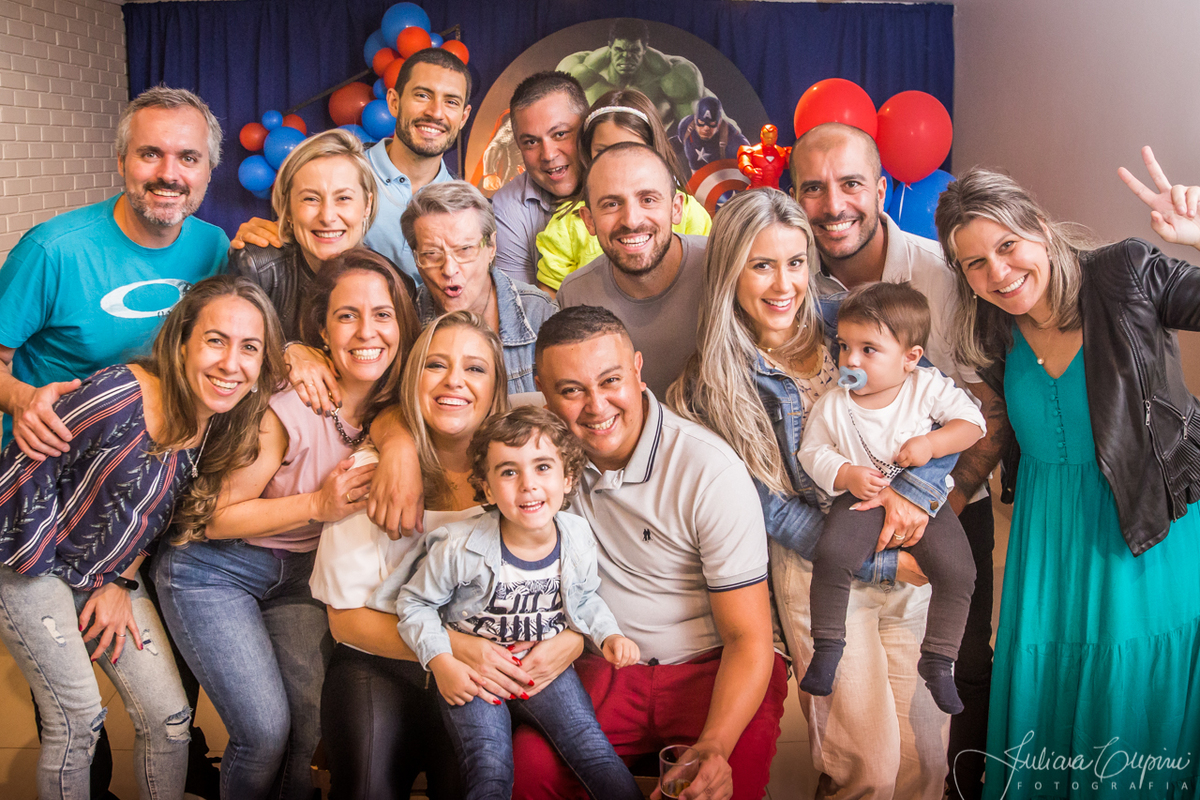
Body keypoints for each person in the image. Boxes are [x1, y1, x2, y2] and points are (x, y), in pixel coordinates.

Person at [667, 188, 960, 800]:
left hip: (909, 539)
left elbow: (939, 410)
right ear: (730, 272)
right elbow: (769, 508)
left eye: (796, 262)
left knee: (925, 765)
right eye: (762, 265)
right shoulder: (711, 383)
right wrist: (882, 561)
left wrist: (916, 498)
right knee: (867, 770)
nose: (785, 285)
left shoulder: (852, 319)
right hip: (820, 571)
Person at [934, 155, 1200, 798]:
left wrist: (1199, 239)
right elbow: (997, 426)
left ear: (1040, 227)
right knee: (1048, 682)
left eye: (1007, 245)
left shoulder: (1124, 273)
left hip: (1140, 526)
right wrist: (943, 502)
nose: (999, 273)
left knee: (1128, 686)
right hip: (1046, 537)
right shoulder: (991, 323)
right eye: (975, 263)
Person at [0, 274, 284, 800]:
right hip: (27, 562)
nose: (231, 363)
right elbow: (24, 467)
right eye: (215, 340)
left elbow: (156, 518)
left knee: (171, 720)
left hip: (107, 574)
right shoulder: (118, 392)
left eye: (250, 347)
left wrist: (119, 582)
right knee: (78, 720)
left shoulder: (221, 423)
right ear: (182, 343)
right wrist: (45, 585)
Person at [153, 249, 420, 800]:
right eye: (346, 316)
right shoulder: (291, 404)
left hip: (298, 576)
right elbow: (213, 518)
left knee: (314, 725)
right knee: (263, 732)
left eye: (382, 314)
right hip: (214, 568)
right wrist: (318, 504)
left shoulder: (395, 405)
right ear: (321, 329)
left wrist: (399, 444)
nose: (366, 331)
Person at [791, 121, 1006, 797]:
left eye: (852, 184)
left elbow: (987, 407)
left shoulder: (941, 275)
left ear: (882, 189)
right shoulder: (794, 281)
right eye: (813, 188)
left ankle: (958, 786)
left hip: (949, 498)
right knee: (859, 708)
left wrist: (928, 500)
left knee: (962, 666)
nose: (834, 205)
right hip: (849, 503)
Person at [513, 305, 787, 800]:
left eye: (610, 380)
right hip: (606, 666)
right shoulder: (539, 450)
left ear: (638, 370)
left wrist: (714, 744)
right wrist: (397, 443)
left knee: (715, 787)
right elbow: (448, 408)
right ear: (543, 392)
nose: (596, 406)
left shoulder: (710, 471)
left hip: (713, 666)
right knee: (527, 770)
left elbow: (748, 637)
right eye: (571, 391)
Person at [309, 310, 519, 800]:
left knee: (471, 784)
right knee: (366, 784)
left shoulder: (518, 474)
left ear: (496, 388)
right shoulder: (370, 471)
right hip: (380, 661)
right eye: (435, 365)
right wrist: (452, 648)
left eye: (475, 368)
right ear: (411, 379)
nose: (454, 381)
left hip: (477, 670)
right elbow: (346, 621)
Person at [396, 406, 643, 800]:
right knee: (489, 767)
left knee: (593, 750)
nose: (528, 485)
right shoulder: (459, 547)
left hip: (543, 670)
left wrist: (608, 634)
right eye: (509, 472)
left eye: (542, 467)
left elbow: (583, 597)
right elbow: (414, 604)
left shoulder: (577, 537)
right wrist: (442, 663)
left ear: (568, 478)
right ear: (487, 488)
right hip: (474, 675)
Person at [0, 85, 228, 461]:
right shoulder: (52, 250)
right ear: (122, 162)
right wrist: (21, 399)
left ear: (208, 171)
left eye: (188, 158)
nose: (169, 175)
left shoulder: (215, 246)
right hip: (56, 463)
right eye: (150, 154)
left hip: (158, 462)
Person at [798, 282, 984, 714]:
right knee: (833, 555)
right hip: (860, 501)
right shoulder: (835, 404)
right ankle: (828, 647)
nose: (851, 360)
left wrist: (932, 444)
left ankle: (939, 658)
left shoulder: (926, 386)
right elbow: (813, 452)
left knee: (960, 572)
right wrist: (845, 473)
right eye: (844, 346)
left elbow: (973, 423)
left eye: (868, 350)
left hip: (922, 504)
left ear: (910, 358)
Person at [231, 48, 473, 279]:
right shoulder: (338, 170)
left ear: (463, 117)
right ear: (394, 102)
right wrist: (259, 239)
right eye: (422, 95)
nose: (436, 112)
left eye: (451, 102)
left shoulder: (468, 209)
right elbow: (296, 238)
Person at [555, 142, 707, 396]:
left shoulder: (722, 266)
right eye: (611, 204)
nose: (632, 220)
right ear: (589, 221)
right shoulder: (575, 295)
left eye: (648, 200)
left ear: (676, 208)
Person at [535, 89, 712, 294]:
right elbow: (550, 301)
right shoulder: (566, 226)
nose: (618, 164)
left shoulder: (691, 215)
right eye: (603, 151)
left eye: (631, 149)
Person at [401, 180, 556, 394]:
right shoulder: (404, 319)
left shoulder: (539, 314)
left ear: (492, 246)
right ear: (416, 257)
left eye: (464, 250)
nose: (449, 269)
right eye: (431, 254)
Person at [228, 128, 380, 342]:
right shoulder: (257, 269)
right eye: (311, 199)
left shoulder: (393, 283)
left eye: (343, 198)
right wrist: (286, 351)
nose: (327, 217)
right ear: (288, 208)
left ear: (367, 205)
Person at [492, 72, 589, 285]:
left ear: (587, 128)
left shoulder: (632, 182)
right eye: (531, 142)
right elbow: (520, 301)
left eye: (560, 134)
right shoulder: (507, 208)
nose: (548, 155)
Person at [557, 18, 706, 131]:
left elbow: (698, 134)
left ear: (644, 49)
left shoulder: (673, 76)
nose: (626, 57)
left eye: (634, 51)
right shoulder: (578, 72)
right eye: (619, 50)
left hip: (649, 155)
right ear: (610, 47)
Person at [674, 95, 749, 177]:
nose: (706, 128)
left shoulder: (734, 142)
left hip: (724, 180)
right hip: (696, 178)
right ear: (695, 119)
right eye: (701, 123)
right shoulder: (685, 128)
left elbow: (748, 168)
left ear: (719, 122)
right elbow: (676, 144)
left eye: (711, 124)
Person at [738, 124, 790, 191]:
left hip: (774, 192)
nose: (769, 140)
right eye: (767, 138)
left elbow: (795, 165)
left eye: (772, 138)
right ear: (761, 136)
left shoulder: (783, 153)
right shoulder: (752, 151)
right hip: (756, 191)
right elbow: (744, 162)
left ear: (776, 137)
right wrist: (749, 171)